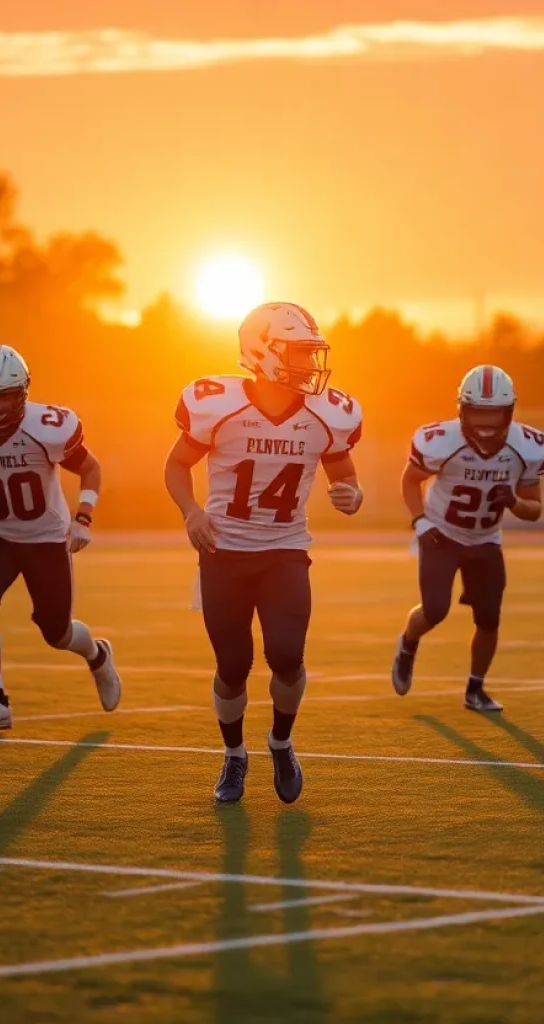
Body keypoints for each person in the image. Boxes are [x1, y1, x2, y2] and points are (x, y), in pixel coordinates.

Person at [164, 302, 363, 805]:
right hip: (224, 552)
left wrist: (352, 495)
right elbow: (175, 465)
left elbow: (346, 478)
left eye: (310, 353)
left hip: (285, 551)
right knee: (232, 667)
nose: (308, 365)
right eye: (298, 352)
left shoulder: (325, 414)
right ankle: (234, 756)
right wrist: (191, 511)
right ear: (262, 351)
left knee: (287, 657)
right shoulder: (219, 404)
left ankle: (281, 742)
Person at [0, 344, 120, 729]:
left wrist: (83, 518)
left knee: (58, 633)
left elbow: (91, 468)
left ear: (21, 393)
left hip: (46, 538)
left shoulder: (46, 427)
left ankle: (97, 655)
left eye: (2, 397)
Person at [392, 365, 544, 711]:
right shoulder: (440, 441)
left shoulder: (526, 446)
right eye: (478, 410)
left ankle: (475, 689)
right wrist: (420, 522)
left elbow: (534, 510)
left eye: (493, 412)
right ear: (462, 409)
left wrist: (512, 500)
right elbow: (409, 480)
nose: (485, 422)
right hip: (441, 535)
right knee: (435, 611)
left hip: (486, 539)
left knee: (489, 618)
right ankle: (407, 643)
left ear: (509, 412)